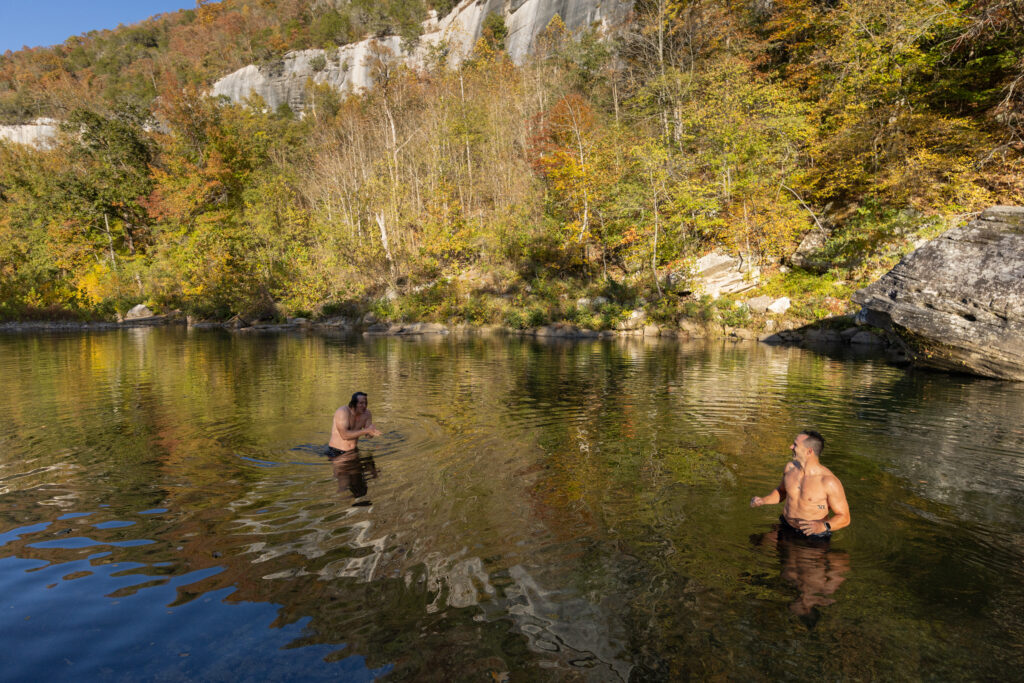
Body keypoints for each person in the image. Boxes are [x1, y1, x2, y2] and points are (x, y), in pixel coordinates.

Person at [750, 430, 850, 539]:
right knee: (756, 542)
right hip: (786, 525)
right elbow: (782, 492)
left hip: (813, 535)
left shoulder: (828, 482)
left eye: (795, 445)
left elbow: (845, 517)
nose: (791, 447)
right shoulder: (790, 468)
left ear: (809, 451)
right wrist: (763, 500)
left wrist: (823, 526)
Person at [327, 391, 382, 456]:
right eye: (361, 403)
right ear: (353, 404)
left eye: (366, 403)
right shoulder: (342, 411)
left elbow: (368, 436)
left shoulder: (367, 414)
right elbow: (344, 435)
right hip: (336, 452)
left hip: (353, 451)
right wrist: (367, 430)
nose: (364, 406)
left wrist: (372, 432)